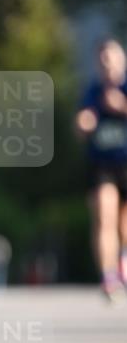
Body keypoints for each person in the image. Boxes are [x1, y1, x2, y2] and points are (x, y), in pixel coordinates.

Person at [75, 38, 127, 302]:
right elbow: (82, 122)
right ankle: (108, 275)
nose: (108, 64)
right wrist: (85, 123)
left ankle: (123, 261)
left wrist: (120, 106)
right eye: (103, 60)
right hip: (101, 164)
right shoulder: (93, 90)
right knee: (104, 218)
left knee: (124, 224)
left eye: (112, 58)